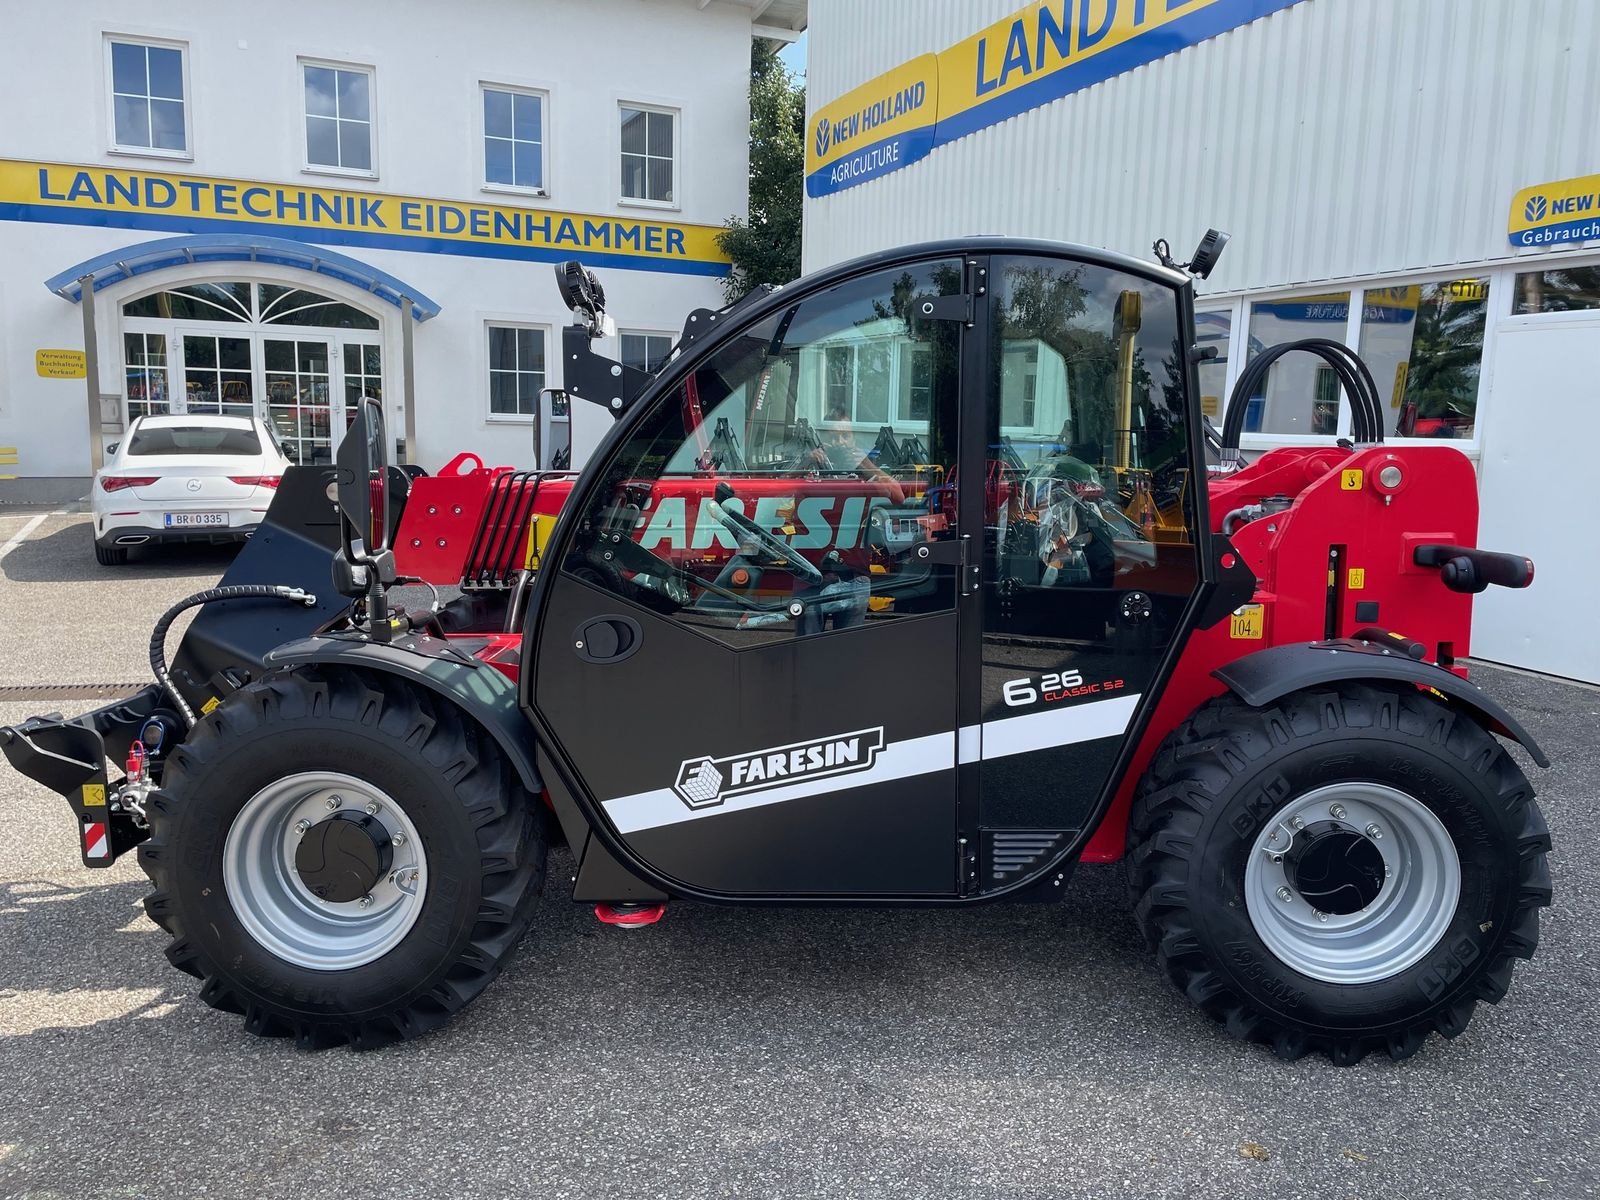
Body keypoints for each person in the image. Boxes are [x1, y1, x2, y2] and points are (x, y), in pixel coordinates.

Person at [804, 405, 905, 503]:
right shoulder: (817, 463)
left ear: (854, 439)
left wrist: (869, 467)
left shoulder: (863, 464)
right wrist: (807, 463)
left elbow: (899, 498)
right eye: (833, 437)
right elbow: (789, 496)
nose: (840, 442)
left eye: (845, 436)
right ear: (824, 439)